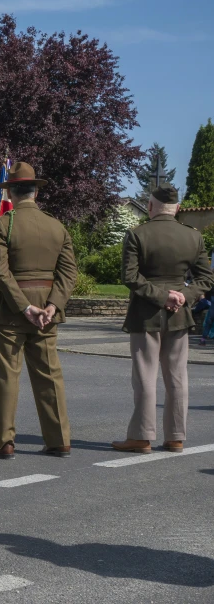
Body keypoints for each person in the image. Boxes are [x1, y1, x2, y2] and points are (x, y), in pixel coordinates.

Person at [0, 162, 77, 461]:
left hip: (12, 311)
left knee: (8, 376)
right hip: (46, 312)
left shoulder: (3, 224)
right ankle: (59, 440)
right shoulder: (56, 226)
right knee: (50, 374)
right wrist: (51, 305)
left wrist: (24, 306)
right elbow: (69, 273)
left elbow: (0, 271)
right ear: (36, 190)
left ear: (10, 191)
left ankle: (4, 442)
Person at [112, 184, 214, 454]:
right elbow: (206, 277)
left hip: (146, 312)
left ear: (149, 206)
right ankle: (175, 437)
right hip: (180, 313)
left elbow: (130, 277)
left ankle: (141, 437)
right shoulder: (193, 237)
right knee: (177, 376)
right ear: (178, 209)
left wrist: (161, 297)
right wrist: (184, 295)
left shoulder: (137, 234)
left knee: (146, 376)